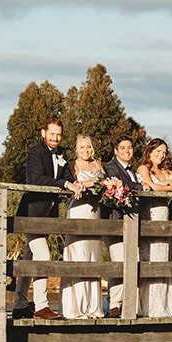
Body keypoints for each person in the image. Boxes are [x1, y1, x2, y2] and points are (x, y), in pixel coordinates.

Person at [15, 117, 76, 319]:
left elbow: (68, 176)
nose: (56, 138)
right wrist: (64, 185)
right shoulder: (35, 152)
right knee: (42, 255)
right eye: (52, 134)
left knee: (29, 257)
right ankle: (41, 307)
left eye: (59, 134)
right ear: (44, 133)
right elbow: (36, 179)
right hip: (32, 212)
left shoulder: (62, 153)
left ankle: (19, 303)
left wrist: (76, 183)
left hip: (48, 214)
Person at [62, 135, 105, 319]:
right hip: (78, 211)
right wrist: (82, 185)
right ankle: (76, 307)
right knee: (78, 256)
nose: (85, 150)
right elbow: (70, 185)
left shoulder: (98, 165)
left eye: (88, 147)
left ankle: (93, 307)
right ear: (76, 149)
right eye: (82, 147)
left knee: (93, 258)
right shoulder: (72, 165)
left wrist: (87, 184)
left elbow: (105, 183)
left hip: (95, 213)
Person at [135, 138, 172, 317]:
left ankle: (162, 306)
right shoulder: (143, 168)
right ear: (150, 152)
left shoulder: (166, 171)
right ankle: (147, 307)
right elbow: (150, 186)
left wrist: (168, 185)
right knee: (148, 259)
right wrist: (168, 187)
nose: (161, 155)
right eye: (158, 151)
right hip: (149, 216)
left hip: (163, 217)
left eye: (164, 152)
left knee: (162, 258)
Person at [103, 136, 141, 317]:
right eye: (123, 147)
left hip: (133, 224)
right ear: (116, 151)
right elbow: (123, 184)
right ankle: (114, 305)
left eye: (130, 147)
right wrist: (142, 186)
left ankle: (128, 302)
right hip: (115, 222)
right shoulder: (110, 167)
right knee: (119, 263)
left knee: (133, 262)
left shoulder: (133, 170)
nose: (127, 150)